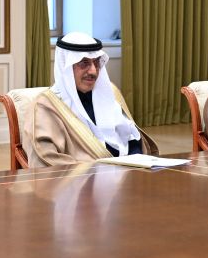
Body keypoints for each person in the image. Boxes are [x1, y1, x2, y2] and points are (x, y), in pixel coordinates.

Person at [23, 32, 157, 167]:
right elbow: (47, 159)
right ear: (65, 66)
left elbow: (131, 137)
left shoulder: (109, 93)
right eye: (84, 63)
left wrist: (135, 164)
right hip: (84, 178)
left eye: (96, 62)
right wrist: (101, 171)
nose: (93, 71)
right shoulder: (45, 106)